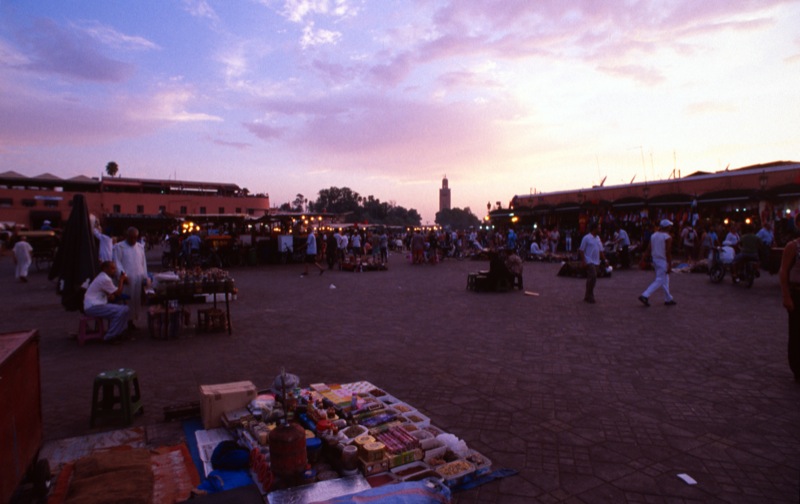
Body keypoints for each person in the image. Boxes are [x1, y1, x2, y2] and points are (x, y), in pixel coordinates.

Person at [84, 261, 129, 344]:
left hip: (94, 305)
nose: (114, 271)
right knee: (123, 310)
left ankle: (118, 332)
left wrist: (109, 296)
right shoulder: (105, 279)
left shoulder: (102, 277)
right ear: (105, 269)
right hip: (93, 306)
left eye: (114, 268)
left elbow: (107, 293)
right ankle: (110, 336)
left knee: (123, 309)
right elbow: (118, 293)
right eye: (112, 268)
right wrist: (121, 280)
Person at [778, 213, 800, 383]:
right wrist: (786, 296)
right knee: (796, 332)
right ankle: (797, 368)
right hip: (797, 293)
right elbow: (784, 271)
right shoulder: (793, 247)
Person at [113, 227, 148, 329]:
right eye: (131, 237)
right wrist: (122, 276)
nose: (133, 240)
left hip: (138, 278)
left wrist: (144, 277)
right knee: (126, 301)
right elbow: (117, 263)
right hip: (126, 279)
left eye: (135, 238)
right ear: (127, 236)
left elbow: (143, 263)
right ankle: (124, 323)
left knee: (135, 300)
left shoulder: (140, 247)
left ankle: (131, 321)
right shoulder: (119, 247)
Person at [639, 219, 676, 307]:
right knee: (660, 279)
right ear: (667, 227)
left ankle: (668, 298)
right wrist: (670, 264)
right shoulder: (667, 237)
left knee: (665, 279)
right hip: (663, 260)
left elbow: (649, 249)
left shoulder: (654, 235)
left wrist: (642, 258)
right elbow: (668, 252)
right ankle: (645, 295)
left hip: (655, 259)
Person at [578, 222, 604, 303]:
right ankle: (590, 295)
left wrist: (605, 260)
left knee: (592, 279)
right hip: (589, 260)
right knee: (593, 276)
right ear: (594, 229)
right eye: (598, 228)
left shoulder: (598, 238)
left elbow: (601, 250)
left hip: (596, 261)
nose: (600, 229)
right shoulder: (586, 238)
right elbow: (581, 250)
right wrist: (584, 261)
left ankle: (587, 294)